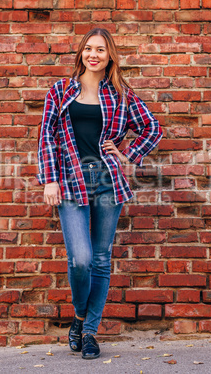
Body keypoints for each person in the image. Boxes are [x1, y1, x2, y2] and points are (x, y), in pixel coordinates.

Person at [37, 27, 163, 359]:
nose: (94, 55)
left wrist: (128, 154)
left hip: (107, 180)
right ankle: (79, 317)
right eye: (88, 49)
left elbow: (153, 127)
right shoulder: (60, 91)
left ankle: (89, 331)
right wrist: (50, 180)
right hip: (69, 179)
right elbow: (47, 137)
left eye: (101, 50)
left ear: (110, 57)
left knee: (102, 258)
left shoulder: (121, 93)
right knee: (81, 259)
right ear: (80, 53)